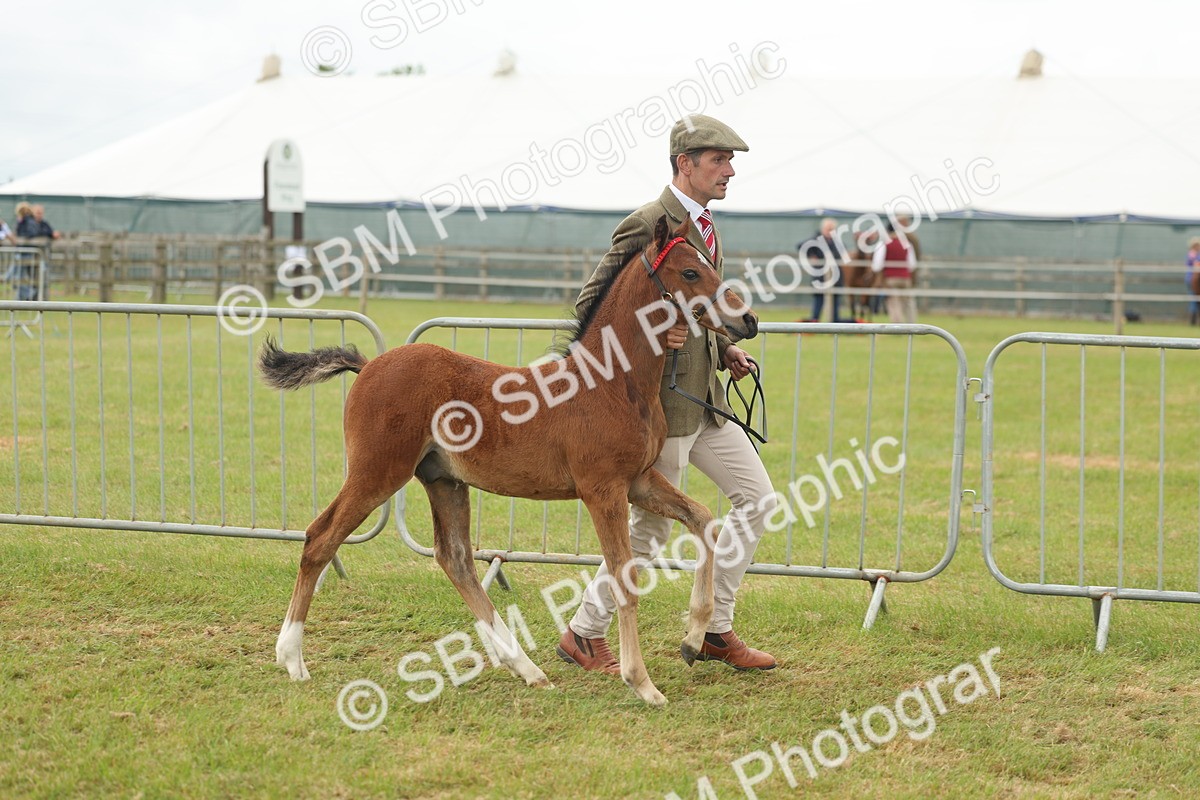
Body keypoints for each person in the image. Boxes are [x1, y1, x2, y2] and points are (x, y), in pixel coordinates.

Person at [557, 114, 778, 675]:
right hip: (658, 407)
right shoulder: (647, 223)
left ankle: (716, 628)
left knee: (758, 499)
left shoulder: (707, 227)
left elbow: (697, 307)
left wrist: (723, 346)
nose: (729, 171)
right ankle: (585, 632)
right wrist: (660, 331)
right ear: (686, 163)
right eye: (719, 160)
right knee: (654, 526)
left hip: (707, 398)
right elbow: (592, 306)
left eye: (731, 161)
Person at [799, 218, 849, 322]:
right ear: (823, 229)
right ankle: (814, 322)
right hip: (820, 278)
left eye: (832, 229)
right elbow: (801, 246)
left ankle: (834, 323)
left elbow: (843, 254)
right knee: (818, 302)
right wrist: (811, 255)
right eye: (828, 228)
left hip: (835, 278)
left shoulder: (837, 242)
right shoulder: (815, 240)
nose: (830, 231)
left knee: (835, 305)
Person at [872, 224, 917, 323]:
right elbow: (912, 264)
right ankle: (912, 324)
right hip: (905, 277)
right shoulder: (907, 244)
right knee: (908, 302)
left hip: (890, 278)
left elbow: (877, 265)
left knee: (893, 302)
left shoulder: (883, 244)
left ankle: (897, 326)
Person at [1186, 237, 1200, 326]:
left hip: (1194, 279)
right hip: (1193, 280)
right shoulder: (1192, 255)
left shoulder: (1193, 254)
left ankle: (1193, 320)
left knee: (1195, 300)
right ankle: (1193, 320)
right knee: (1194, 300)